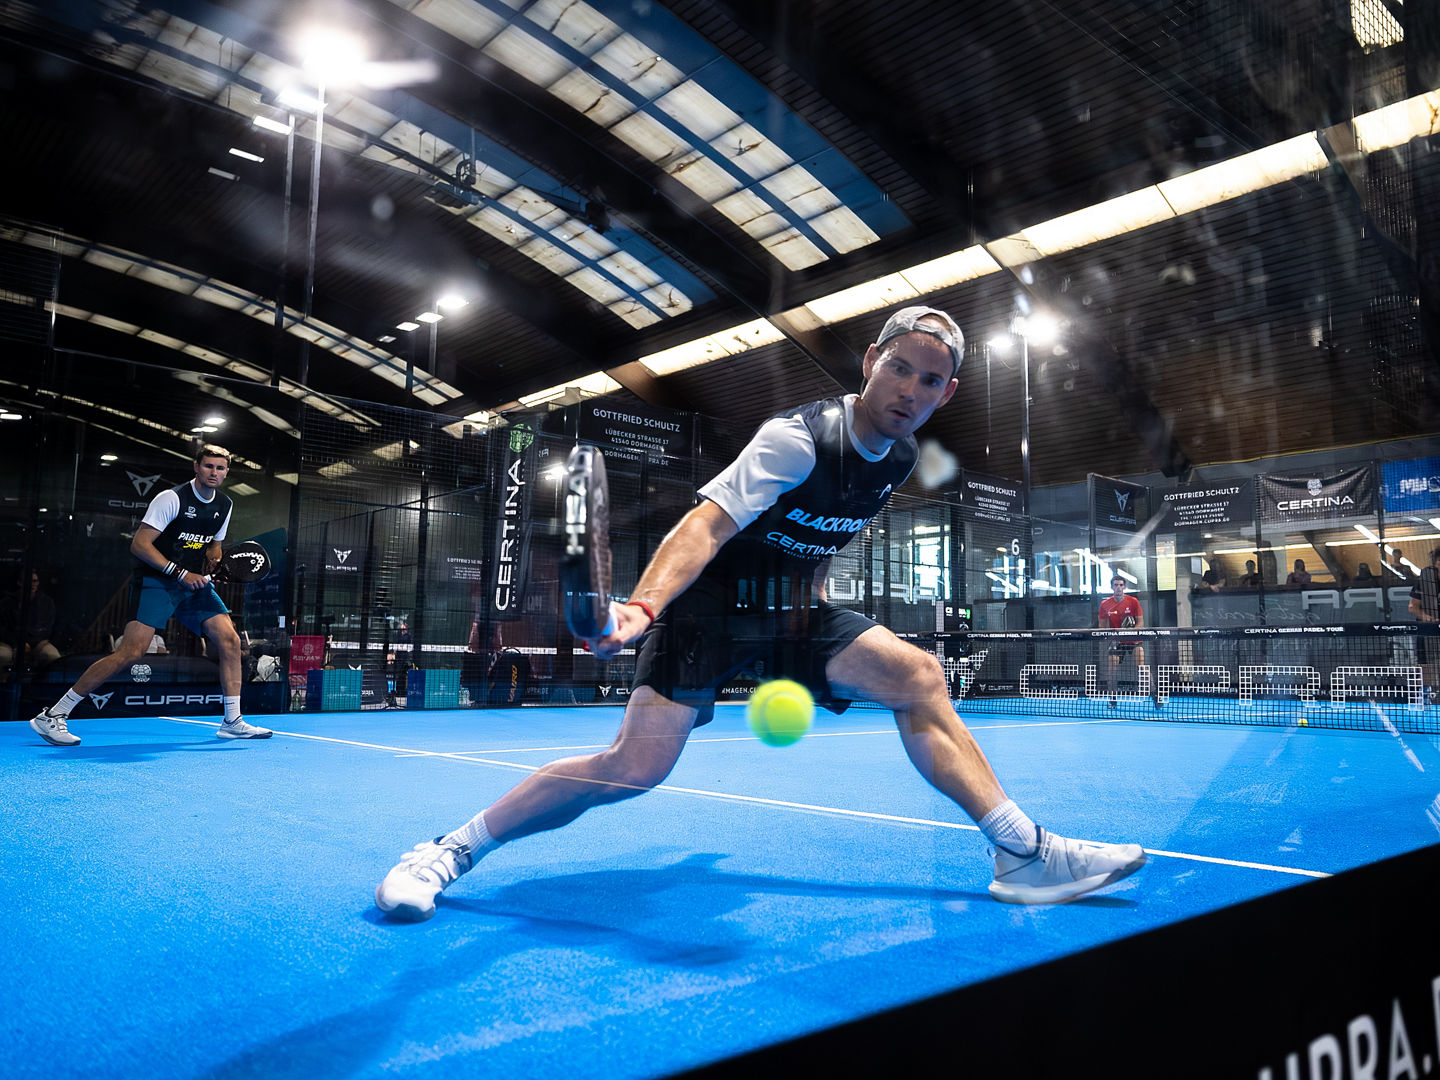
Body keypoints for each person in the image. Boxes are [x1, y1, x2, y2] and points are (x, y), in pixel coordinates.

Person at [376, 305, 1146, 921]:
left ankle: (1020, 852)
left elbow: (814, 537)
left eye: (930, 379)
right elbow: (705, 525)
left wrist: (803, 615)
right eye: (899, 367)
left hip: (788, 613)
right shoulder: (797, 439)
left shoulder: (903, 457)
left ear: (947, 393)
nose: (909, 389)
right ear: (872, 363)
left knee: (918, 676)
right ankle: (448, 851)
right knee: (632, 770)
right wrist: (644, 606)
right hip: (707, 613)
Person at [28, 445, 272, 746]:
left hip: (193, 586)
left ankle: (232, 721)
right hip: (157, 581)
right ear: (196, 467)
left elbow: (213, 547)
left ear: (226, 472)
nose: (214, 473)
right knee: (130, 653)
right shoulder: (171, 498)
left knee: (230, 641)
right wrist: (181, 573)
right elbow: (140, 545)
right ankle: (52, 715)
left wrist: (213, 563)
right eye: (209, 466)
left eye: (221, 468)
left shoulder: (225, 504)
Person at [0, 570, 61, 678]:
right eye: (28, 581)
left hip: (38, 642)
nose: (32, 584)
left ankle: (45, 689)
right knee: (2, 656)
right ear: (19, 583)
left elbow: (48, 627)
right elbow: (3, 628)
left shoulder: (46, 602)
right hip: (10, 642)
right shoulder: (7, 602)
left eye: (35, 581)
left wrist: (31, 642)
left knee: (52, 656)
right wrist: (16, 643)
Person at [1098, 574, 1146, 706]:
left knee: (1142, 669)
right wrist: (1112, 637)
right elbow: (1102, 627)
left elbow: (1140, 623)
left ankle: (1154, 695)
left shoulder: (1133, 601)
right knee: (1111, 671)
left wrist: (1129, 632)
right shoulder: (1105, 604)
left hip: (1134, 641)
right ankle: (1112, 700)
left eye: (1120, 585)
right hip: (1116, 643)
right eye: (1115, 585)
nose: (1118, 588)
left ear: (1124, 586)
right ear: (1112, 587)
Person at [1408, 547, 1440, 705]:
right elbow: (1413, 607)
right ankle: (1424, 696)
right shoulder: (1425, 580)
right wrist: (1428, 618)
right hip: (1427, 629)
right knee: (1425, 665)